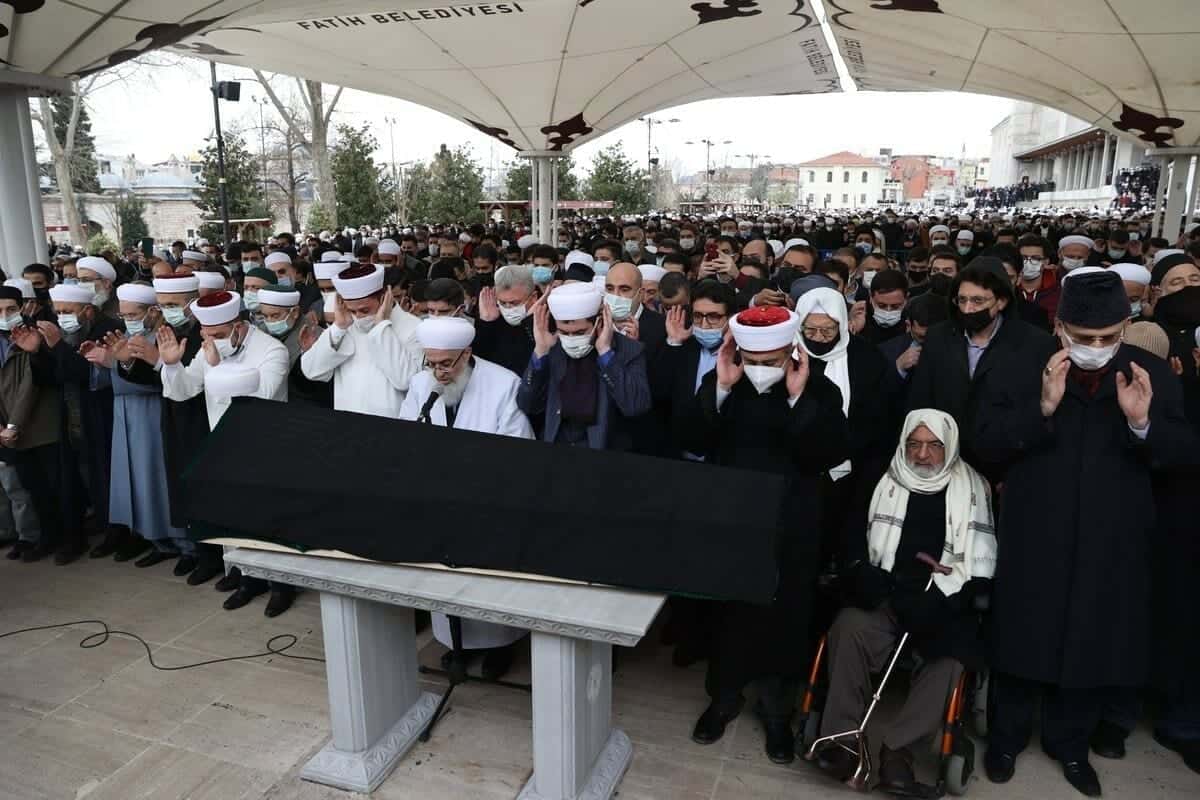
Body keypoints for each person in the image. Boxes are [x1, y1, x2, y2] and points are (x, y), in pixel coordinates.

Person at [973, 268, 1195, 797]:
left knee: (1090, 641)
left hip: (1111, 538)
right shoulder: (1021, 365)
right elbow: (983, 444)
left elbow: (1184, 455)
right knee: (1023, 636)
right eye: (1084, 337)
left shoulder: (1149, 373)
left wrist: (1143, 425)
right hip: (1036, 530)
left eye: (1107, 337)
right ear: (1060, 327)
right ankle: (1005, 739)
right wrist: (1042, 408)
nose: (1096, 348)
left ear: (1126, 327)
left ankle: (1070, 745)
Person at [674, 304, 848, 764]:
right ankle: (724, 696)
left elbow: (827, 453)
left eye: (770, 362)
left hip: (792, 523)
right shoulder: (725, 382)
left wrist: (797, 399)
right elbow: (692, 438)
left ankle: (776, 711)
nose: (760, 370)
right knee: (729, 612)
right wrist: (721, 388)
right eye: (753, 361)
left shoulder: (820, 388)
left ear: (791, 353)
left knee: (786, 614)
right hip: (732, 521)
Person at [818, 410, 995, 793]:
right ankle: (841, 740)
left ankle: (898, 752)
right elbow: (852, 539)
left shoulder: (972, 487)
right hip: (886, 590)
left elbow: (981, 565)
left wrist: (946, 601)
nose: (922, 454)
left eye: (933, 445)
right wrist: (866, 576)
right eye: (914, 444)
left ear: (949, 447)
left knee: (951, 657)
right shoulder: (880, 477)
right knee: (849, 627)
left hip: (940, 600)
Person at [399, 316, 533, 678]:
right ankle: (455, 644)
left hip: (488, 500)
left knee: (488, 579)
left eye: (446, 363)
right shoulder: (421, 383)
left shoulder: (503, 383)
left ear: (467, 354)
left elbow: (517, 446)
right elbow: (406, 433)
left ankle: (501, 646)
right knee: (445, 579)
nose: (439, 372)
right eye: (432, 363)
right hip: (438, 501)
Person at [907, 257, 1054, 479]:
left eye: (978, 301)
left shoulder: (1035, 344)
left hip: (1008, 466)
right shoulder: (939, 337)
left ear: (1001, 301)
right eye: (962, 300)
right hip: (946, 463)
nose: (968, 309)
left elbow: (1033, 411)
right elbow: (921, 398)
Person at [88, 283, 193, 566]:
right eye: (124, 315)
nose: (128, 320)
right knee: (135, 480)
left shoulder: (162, 337)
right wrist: (103, 362)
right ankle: (156, 540)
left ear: (152, 312)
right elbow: (108, 382)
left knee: (158, 478)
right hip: (124, 415)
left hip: (153, 415)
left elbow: (160, 381)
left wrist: (115, 364)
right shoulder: (125, 337)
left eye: (133, 315)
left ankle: (185, 546)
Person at [517, 282, 651, 451]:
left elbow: (636, 406)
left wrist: (605, 352)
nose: (571, 338)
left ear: (600, 322)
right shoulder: (552, 347)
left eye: (580, 332)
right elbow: (528, 404)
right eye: (564, 332)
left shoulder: (629, 350)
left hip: (605, 454)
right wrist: (540, 351)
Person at [300, 264, 423, 417]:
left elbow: (405, 381)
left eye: (365, 310)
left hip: (393, 423)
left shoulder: (413, 327)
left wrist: (382, 327)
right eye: (352, 310)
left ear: (385, 298)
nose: (358, 316)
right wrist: (338, 328)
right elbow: (312, 371)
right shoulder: (346, 325)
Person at [0, 287, 63, 563]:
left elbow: (30, 386)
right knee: (30, 488)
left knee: (54, 487)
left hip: (38, 427)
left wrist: (13, 425)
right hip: (8, 431)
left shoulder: (34, 335)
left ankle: (63, 539)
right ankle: (37, 538)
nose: (5, 315)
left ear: (23, 308)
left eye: (11, 309)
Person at [473, 265, 538, 379]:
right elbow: (477, 362)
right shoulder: (494, 323)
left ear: (533, 297)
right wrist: (486, 323)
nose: (508, 308)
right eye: (503, 303)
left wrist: (530, 322)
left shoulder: (546, 323)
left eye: (514, 303)